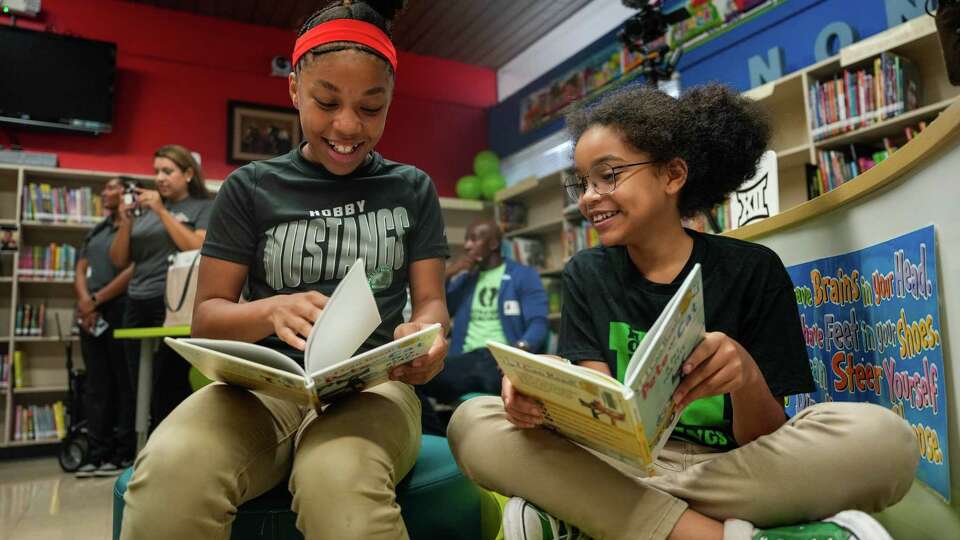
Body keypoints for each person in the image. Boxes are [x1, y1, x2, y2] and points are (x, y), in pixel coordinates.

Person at [447, 83, 919, 540]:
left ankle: (587, 515)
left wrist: (746, 377)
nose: (589, 196)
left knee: (884, 441)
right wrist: (545, 393)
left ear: (673, 175)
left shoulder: (752, 270)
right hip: (618, 464)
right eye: (582, 182)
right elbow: (600, 425)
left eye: (608, 175)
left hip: (734, 469)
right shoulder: (586, 273)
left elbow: (766, 435)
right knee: (471, 424)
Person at [120, 1, 450, 538]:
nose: (347, 125)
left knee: (337, 477)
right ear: (294, 88)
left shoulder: (411, 188)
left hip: (375, 387)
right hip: (264, 388)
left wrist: (427, 334)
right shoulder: (249, 188)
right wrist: (271, 309)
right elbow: (207, 318)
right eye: (326, 101)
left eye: (372, 108)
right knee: (172, 467)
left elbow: (431, 301)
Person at [109, 145, 212, 432]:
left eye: (168, 171)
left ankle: (172, 442)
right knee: (137, 382)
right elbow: (119, 260)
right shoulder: (142, 211)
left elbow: (196, 246)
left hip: (175, 304)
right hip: (137, 300)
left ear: (189, 173)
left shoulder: (202, 207)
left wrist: (161, 211)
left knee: (167, 382)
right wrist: (127, 223)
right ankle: (145, 445)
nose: (160, 178)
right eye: (156, 171)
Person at [421, 218, 547, 411]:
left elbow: (538, 323)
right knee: (414, 377)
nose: (467, 245)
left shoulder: (523, 275)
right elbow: (441, 309)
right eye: (466, 239)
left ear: (494, 244)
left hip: (501, 358)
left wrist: (519, 350)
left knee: (490, 373)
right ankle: (439, 432)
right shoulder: (467, 279)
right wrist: (451, 272)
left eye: (474, 239)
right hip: (465, 359)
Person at [73, 177, 136, 477]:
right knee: (96, 385)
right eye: (105, 187)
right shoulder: (96, 230)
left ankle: (121, 453)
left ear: (127, 194)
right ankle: (95, 453)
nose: (105, 192)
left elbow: (131, 269)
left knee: (123, 381)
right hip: (90, 314)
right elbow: (80, 269)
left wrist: (97, 299)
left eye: (113, 188)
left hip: (120, 307)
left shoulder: (135, 226)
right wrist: (86, 302)